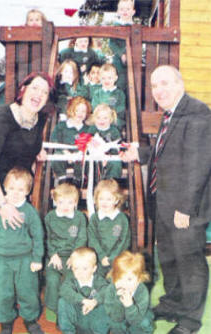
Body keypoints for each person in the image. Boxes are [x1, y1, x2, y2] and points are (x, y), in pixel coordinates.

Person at [120, 65, 210, 334]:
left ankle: (191, 320)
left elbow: (198, 165)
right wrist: (140, 153)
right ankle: (173, 304)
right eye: (155, 86)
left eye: (165, 84)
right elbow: (167, 154)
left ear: (179, 83)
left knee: (189, 260)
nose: (159, 90)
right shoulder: (172, 114)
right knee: (170, 257)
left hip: (185, 206)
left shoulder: (197, 113)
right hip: (164, 202)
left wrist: (185, 208)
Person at [0, 71, 53, 314]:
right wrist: (2, 204)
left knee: (17, 239)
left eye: (45, 91)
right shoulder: (0, 116)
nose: (38, 95)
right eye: (35, 88)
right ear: (23, 89)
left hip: (13, 189)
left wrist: (37, 155)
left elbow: (27, 149)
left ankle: (13, 291)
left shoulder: (39, 120)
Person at [0, 167, 44, 334]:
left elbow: (38, 235)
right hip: (2, 260)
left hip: (25, 259)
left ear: (27, 191)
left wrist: (37, 259)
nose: (15, 193)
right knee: (3, 293)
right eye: (11, 188)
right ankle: (6, 321)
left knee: (28, 292)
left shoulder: (30, 212)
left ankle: (30, 319)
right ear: (4, 187)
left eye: (20, 189)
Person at [44, 183, 87, 321]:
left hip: (73, 255)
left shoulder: (80, 217)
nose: (65, 206)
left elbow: (82, 237)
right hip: (55, 256)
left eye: (70, 202)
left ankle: (69, 310)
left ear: (76, 203)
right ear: (55, 201)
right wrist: (53, 254)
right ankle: (53, 308)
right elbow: (47, 238)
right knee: (52, 279)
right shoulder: (50, 217)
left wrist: (75, 255)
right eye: (61, 202)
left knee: (71, 280)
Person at [58, 247, 110, 334]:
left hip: (95, 323)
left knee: (105, 301)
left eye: (85, 268)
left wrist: (95, 301)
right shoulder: (71, 280)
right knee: (62, 301)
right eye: (76, 268)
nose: (80, 272)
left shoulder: (99, 280)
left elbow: (106, 291)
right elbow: (64, 290)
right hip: (77, 321)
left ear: (94, 268)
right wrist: (83, 300)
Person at [88, 179, 131, 276]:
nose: (104, 202)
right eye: (101, 199)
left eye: (109, 199)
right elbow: (93, 240)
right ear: (96, 200)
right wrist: (102, 257)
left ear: (116, 200)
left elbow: (124, 242)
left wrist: (112, 259)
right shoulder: (94, 219)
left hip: (117, 259)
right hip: (99, 260)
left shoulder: (122, 219)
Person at [104, 251, 154, 334]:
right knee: (114, 324)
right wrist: (119, 300)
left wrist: (129, 306)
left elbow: (135, 321)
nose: (124, 283)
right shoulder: (111, 289)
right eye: (119, 278)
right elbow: (116, 318)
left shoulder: (142, 291)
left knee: (145, 323)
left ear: (139, 279)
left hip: (138, 316)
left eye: (129, 279)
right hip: (117, 316)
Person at [50, 96, 92, 187]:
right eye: (77, 110)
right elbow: (55, 140)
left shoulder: (86, 129)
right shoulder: (62, 126)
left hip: (79, 154)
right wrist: (67, 153)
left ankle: (78, 180)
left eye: (83, 111)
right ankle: (62, 179)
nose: (80, 114)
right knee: (56, 157)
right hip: (64, 152)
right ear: (71, 110)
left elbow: (87, 144)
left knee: (85, 159)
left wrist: (78, 154)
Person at [87, 103, 122, 180]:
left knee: (115, 163)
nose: (101, 121)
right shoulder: (92, 129)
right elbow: (88, 144)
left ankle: (112, 180)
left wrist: (107, 157)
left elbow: (116, 147)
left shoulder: (114, 131)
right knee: (91, 162)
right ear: (94, 118)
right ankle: (93, 182)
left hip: (110, 155)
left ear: (110, 119)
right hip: (95, 155)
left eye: (105, 118)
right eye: (98, 118)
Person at [109, 0, 136, 91]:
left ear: (133, 12)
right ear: (118, 12)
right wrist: (121, 54)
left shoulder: (135, 28)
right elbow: (111, 43)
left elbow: (136, 44)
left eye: (128, 9)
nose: (125, 11)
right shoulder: (116, 26)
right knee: (119, 83)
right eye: (122, 9)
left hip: (132, 60)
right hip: (118, 61)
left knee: (132, 84)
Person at [91, 63, 126, 130]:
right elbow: (94, 106)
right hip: (100, 119)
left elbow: (122, 107)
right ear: (99, 79)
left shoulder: (119, 93)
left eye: (109, 78)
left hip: (114, 120)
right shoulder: (97, 93)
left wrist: (110, 112)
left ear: (115, 78)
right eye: (103, 78)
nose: (106, 81)